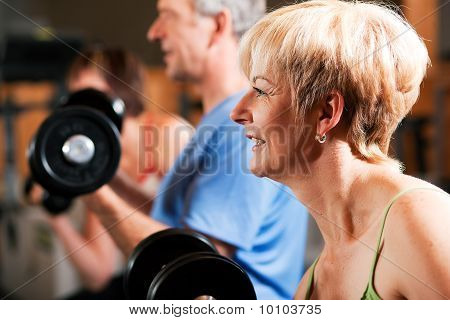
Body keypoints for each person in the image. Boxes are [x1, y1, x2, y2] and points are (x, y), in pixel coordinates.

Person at [83, 0, 310, 300]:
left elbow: (192, 265)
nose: (154, 33)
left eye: (168, 16)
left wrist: (89, 190)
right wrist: (107, 181)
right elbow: (177, 223)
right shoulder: (219, 119)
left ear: (217, 26)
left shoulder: (240, 127)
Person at [231, 0, 450, 300]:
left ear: (325, 113)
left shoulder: (418, 219)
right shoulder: (311, 284)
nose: (238, 111)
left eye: (260, 91)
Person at [27, 46, 192, 298]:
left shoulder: (167, 134)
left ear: (122, 92)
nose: (80, 108)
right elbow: (98, 275)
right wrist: (54, 215)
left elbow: (191, 243)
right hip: (135, 281)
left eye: (91, 95)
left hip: (179, 280)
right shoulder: (97, 161)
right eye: (75, 97)